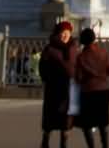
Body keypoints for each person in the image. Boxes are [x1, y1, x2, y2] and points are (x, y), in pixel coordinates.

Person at [38, 20, 78, 148]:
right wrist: (49, 79)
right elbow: (42, 68)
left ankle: (64, 144)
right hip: (54, 89)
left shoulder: (73, 48)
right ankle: (45, 141)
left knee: (66, 120)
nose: (64, 35)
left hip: (69, 89)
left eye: (67, 33)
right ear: (57, 34)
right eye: (62, 33)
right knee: (51, 118)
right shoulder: (49, 49)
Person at [75, 27, 109, 148]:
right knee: (102, 123)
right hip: (104, 90)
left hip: (89, 91)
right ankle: (105, 145)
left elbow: (78, 77)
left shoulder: (81, 56)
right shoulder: (103, 52)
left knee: (86, 124)